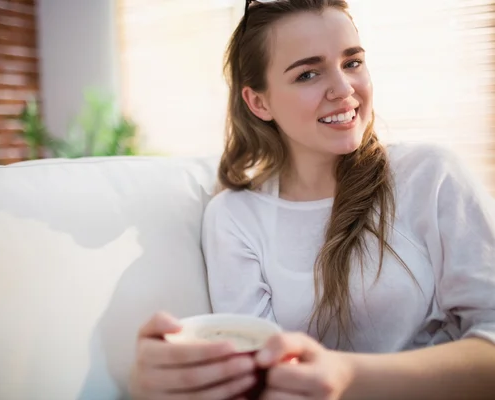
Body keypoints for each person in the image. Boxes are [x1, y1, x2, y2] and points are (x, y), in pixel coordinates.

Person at [129, 0, 495, 398]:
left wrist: (348, 377)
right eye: (308, 74)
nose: (343, 89)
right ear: (259, 102)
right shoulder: (235, 217)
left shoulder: (431, 175)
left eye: (352, 62)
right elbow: (256, 374)